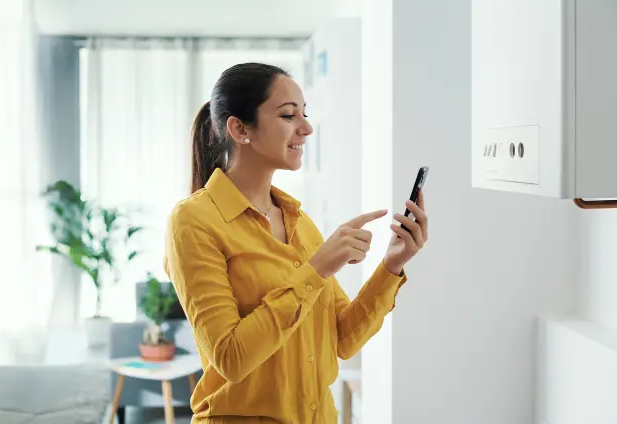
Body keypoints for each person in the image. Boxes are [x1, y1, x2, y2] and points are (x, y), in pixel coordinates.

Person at [164, 62, 429, 423]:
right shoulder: (194, 221)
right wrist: (316, 269)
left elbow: (342, 339)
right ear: (240, 129)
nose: (306, 128)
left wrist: (391, 265)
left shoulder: (297, 220)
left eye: (304, 114)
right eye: (289, 115)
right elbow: (230, 358)